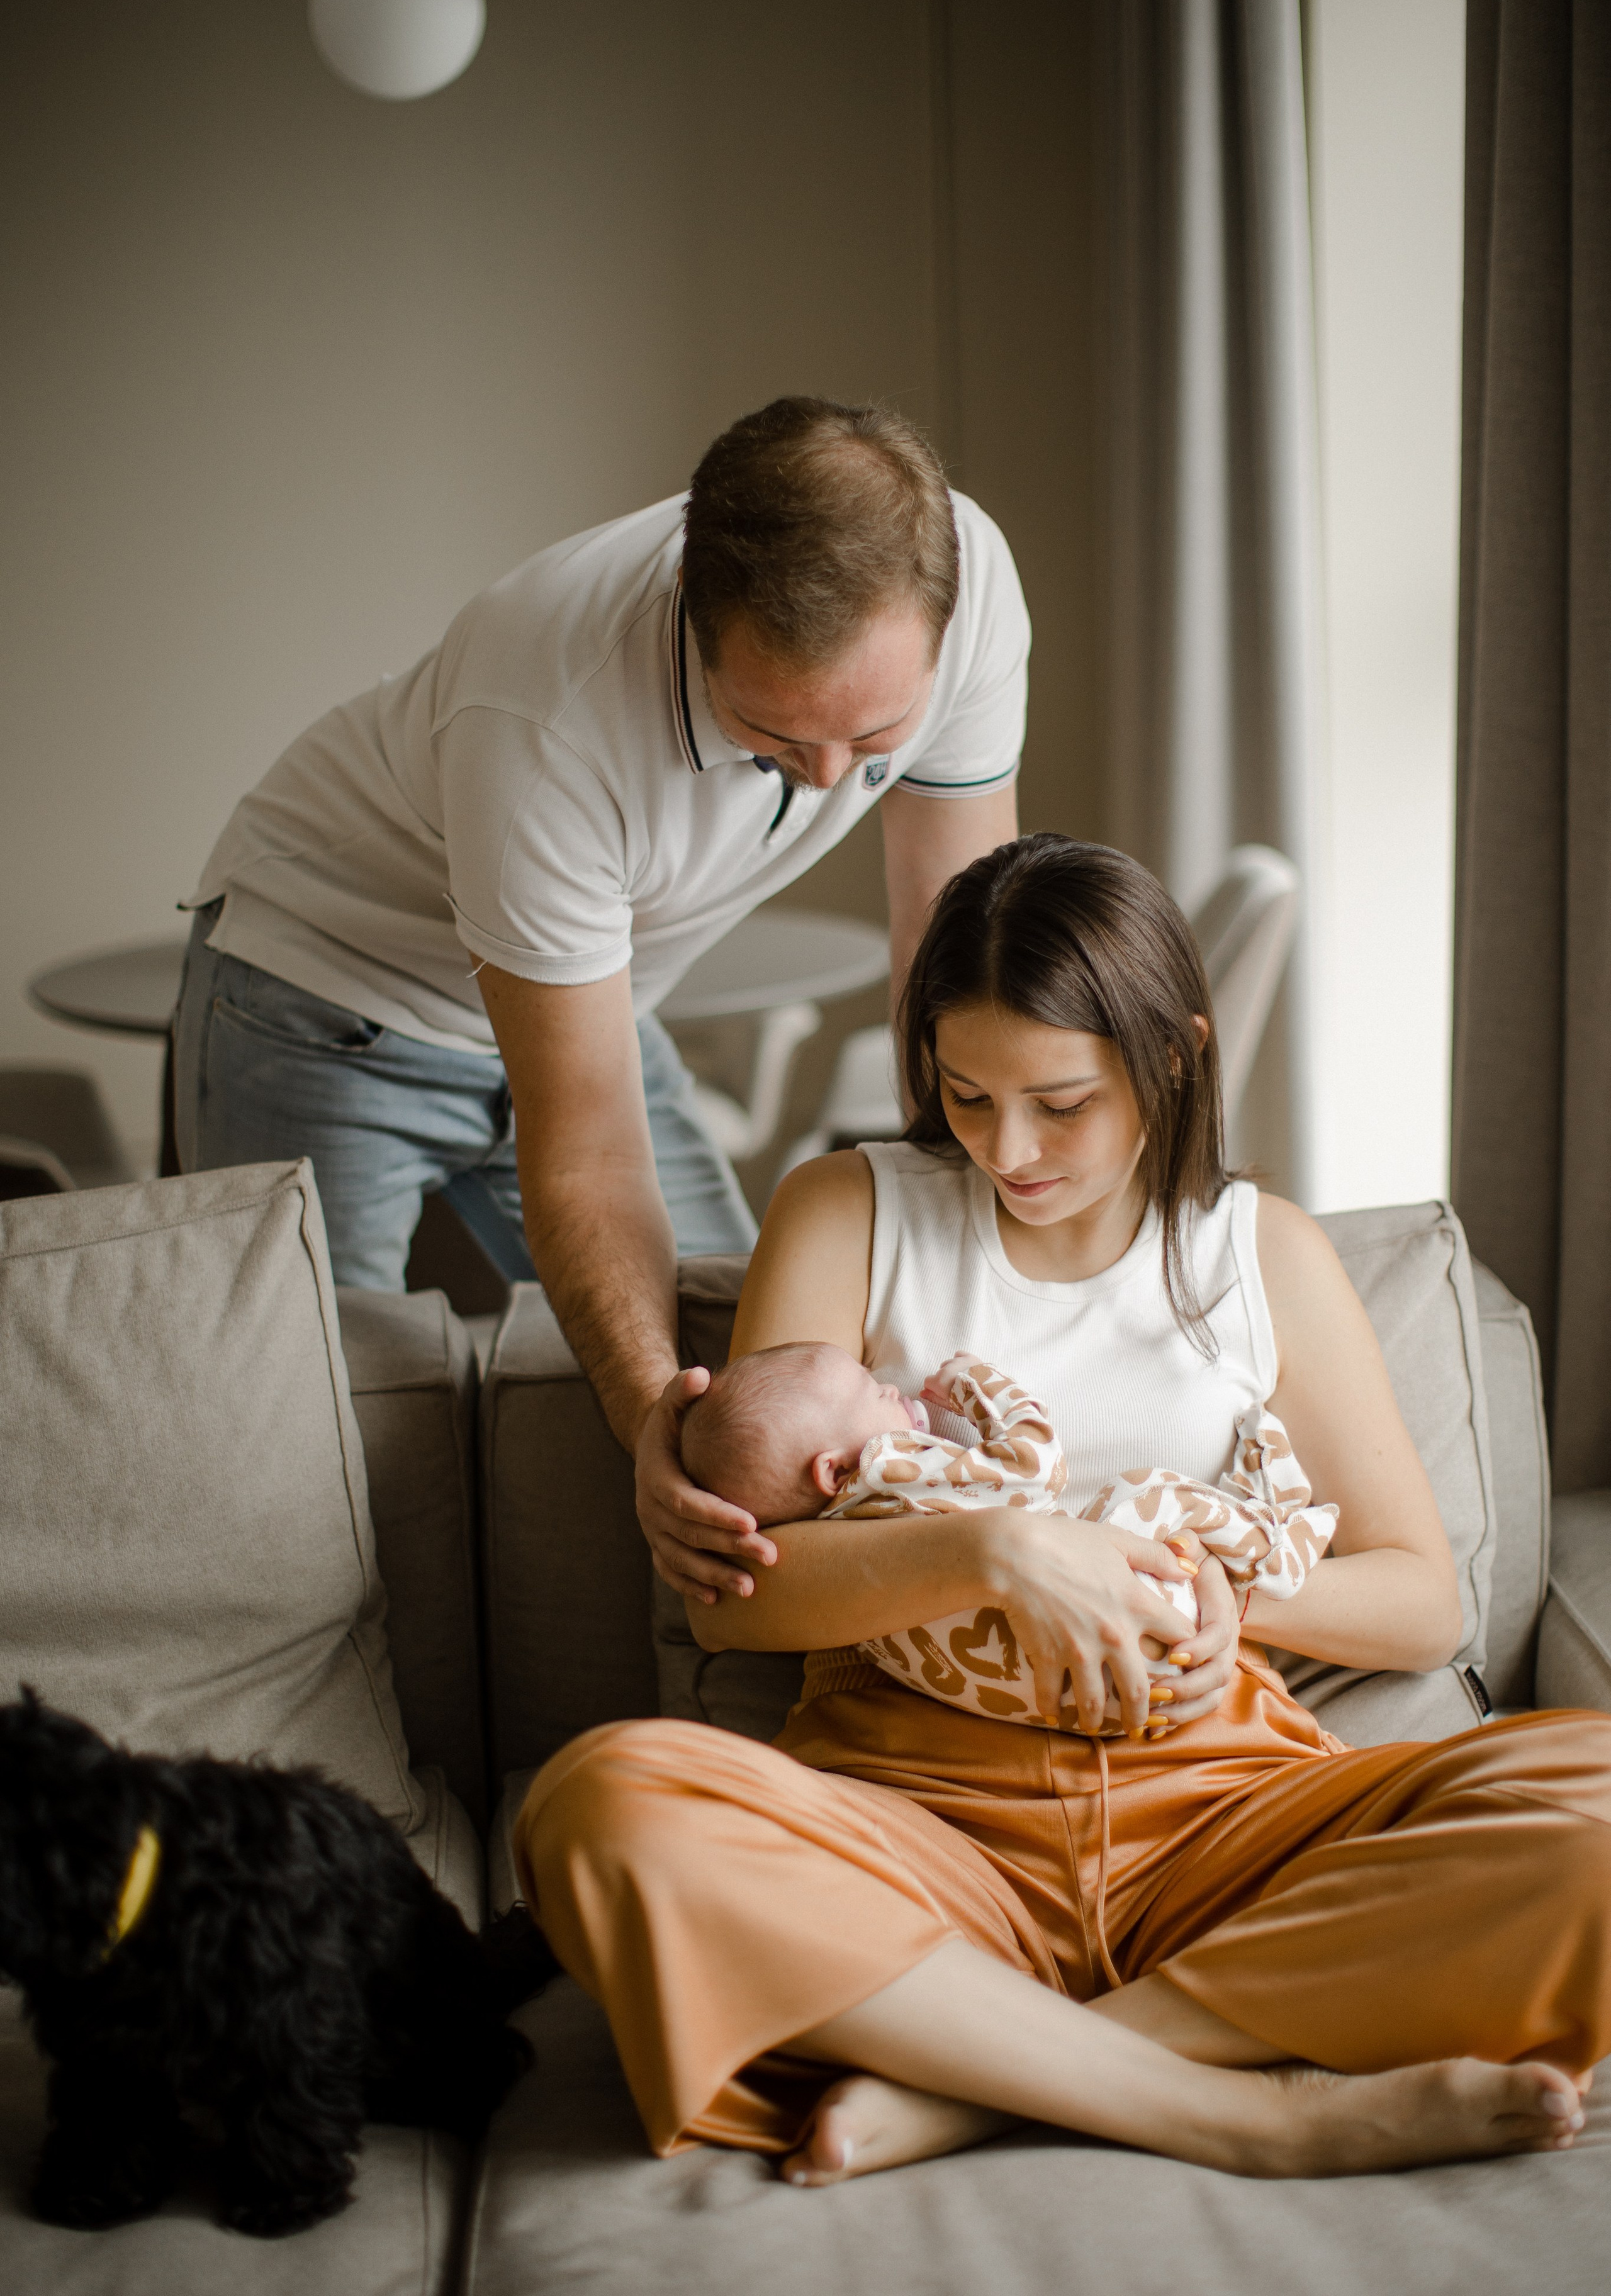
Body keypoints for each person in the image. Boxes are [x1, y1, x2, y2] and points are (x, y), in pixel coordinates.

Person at [512, 835, 1611, 2184]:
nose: (1007, 1151)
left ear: (1171, 1056)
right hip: (918, 1818)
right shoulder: (848, 1212)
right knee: (599, 1807)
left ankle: (977, 2079)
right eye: (966, 1097)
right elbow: (738, 1601)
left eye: (1057, 1103)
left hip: (1224, 1814)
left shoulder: (1259, 1254)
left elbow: (1419, 1598)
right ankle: (1243, 2113)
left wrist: (1224, 1595)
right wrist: (999, 1550)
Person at [172, 398, 1024, 1531]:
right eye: (772, 735)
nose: (827, 780)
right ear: (693, 611)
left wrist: (973, 1271)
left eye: (874, 743)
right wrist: (652, 1435)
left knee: (753, 1376)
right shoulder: (545, 715)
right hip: (326, 996)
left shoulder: (968, 590)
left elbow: (954, 969)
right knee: (306, 1450)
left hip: (591, 1004)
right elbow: (585, 1156)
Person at [683, 1341, 1335, 1728]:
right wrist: (973, 1383)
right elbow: (1035, 1473)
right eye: (868, 1390)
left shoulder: (843, 1554)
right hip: (1137, 1650)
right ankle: (1275, 1549)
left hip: (1074, 1699)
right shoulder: (887, 1473)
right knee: (1144, 1492)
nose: (888, 1387)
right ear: (832, 1469)